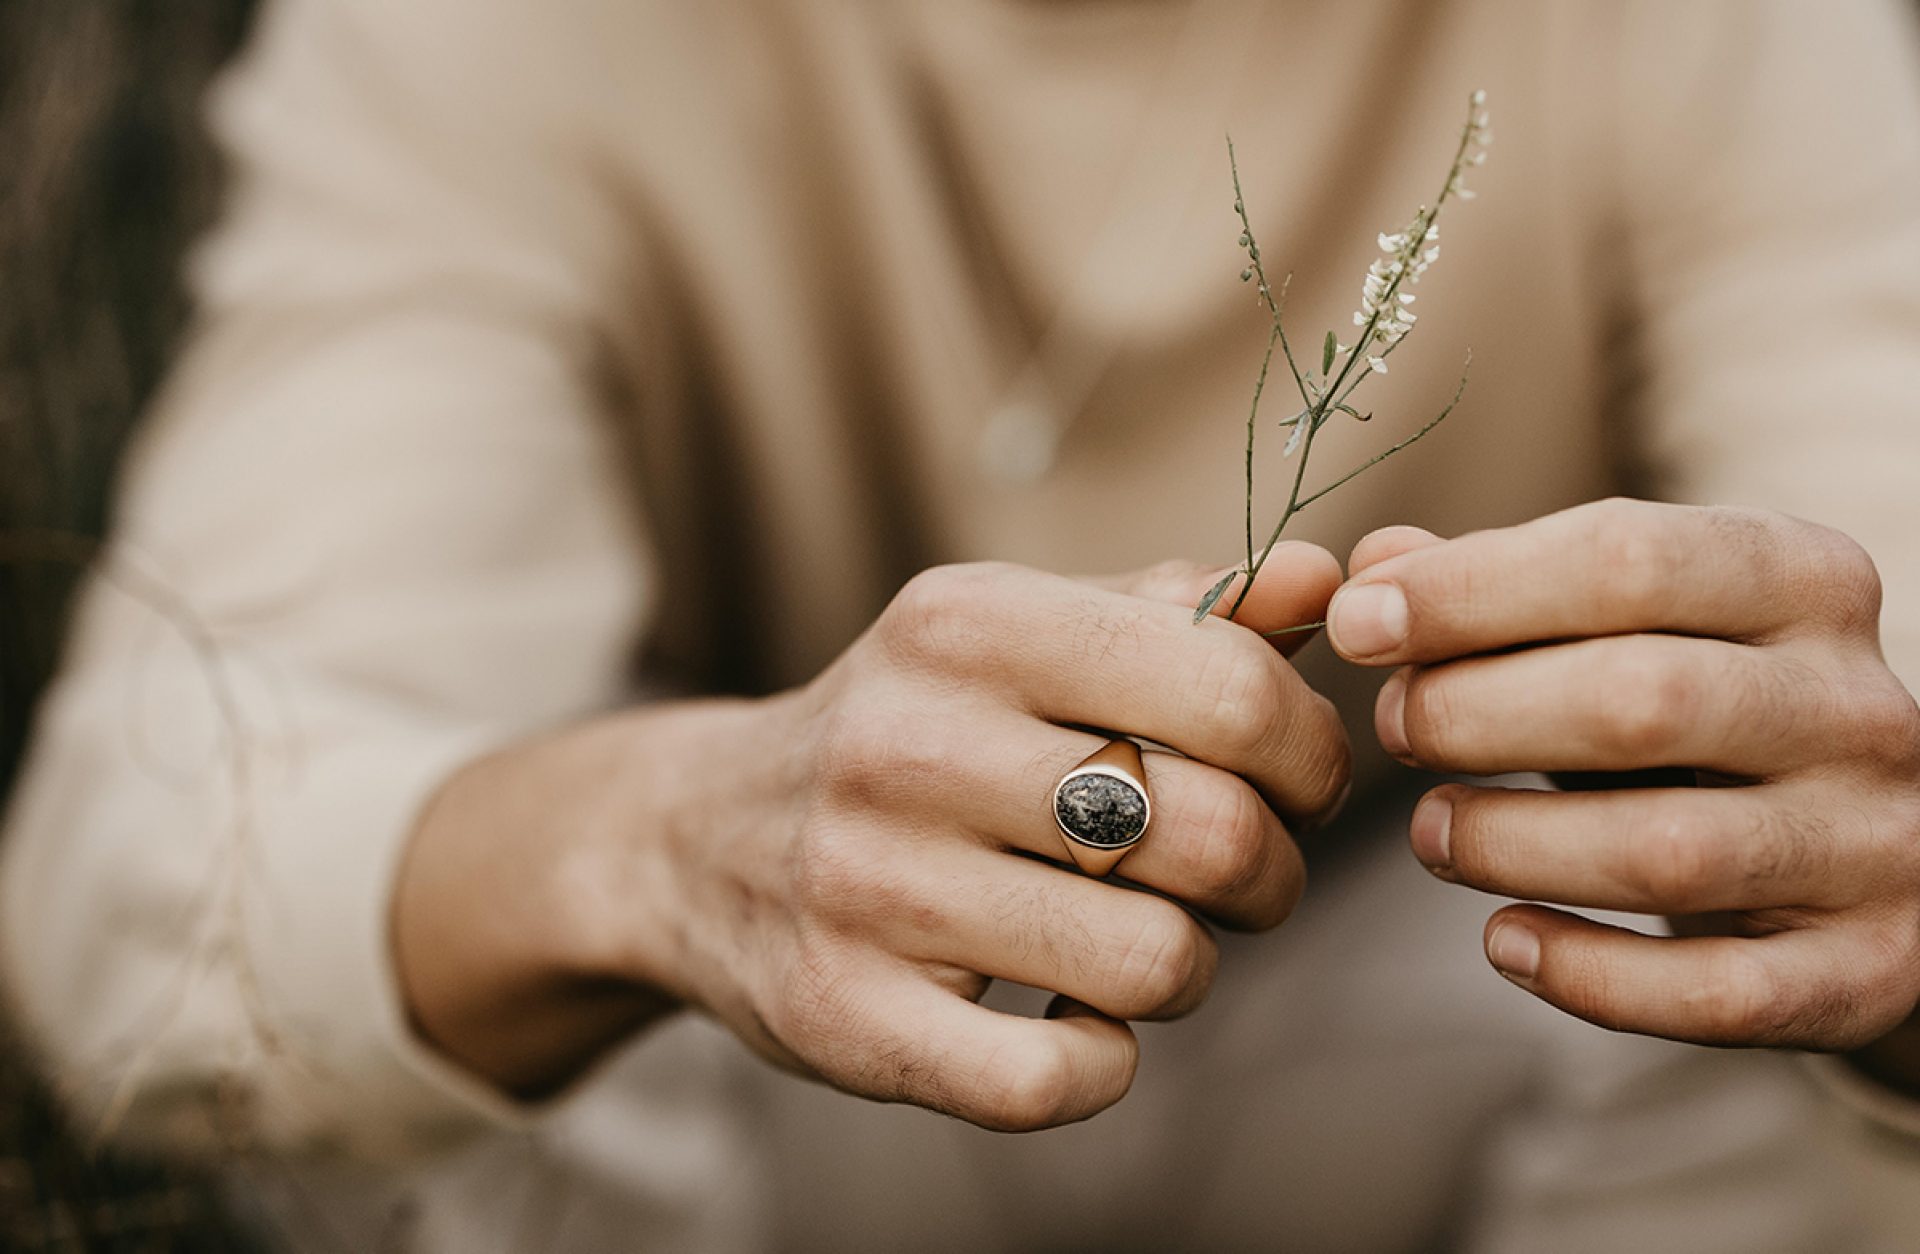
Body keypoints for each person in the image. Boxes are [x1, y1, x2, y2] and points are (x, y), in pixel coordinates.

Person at [4, 0, 1920, 1248]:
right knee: (453, 1033)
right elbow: (153, 879)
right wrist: (678, 841)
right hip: (783, 1131)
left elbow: (1883, 651)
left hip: (1460, 1055)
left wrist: (1872, 886)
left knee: (1782, 1013)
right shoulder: (495, 40)